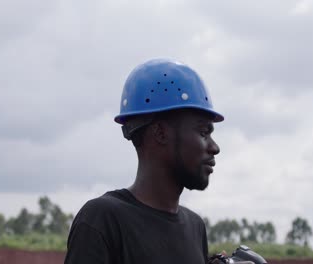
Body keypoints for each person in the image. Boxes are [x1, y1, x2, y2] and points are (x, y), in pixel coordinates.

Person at [64, 58, 224, 264]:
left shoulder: (195, 227)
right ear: (160, 133)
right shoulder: (103, 220)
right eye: (203, 132)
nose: (214, 147)